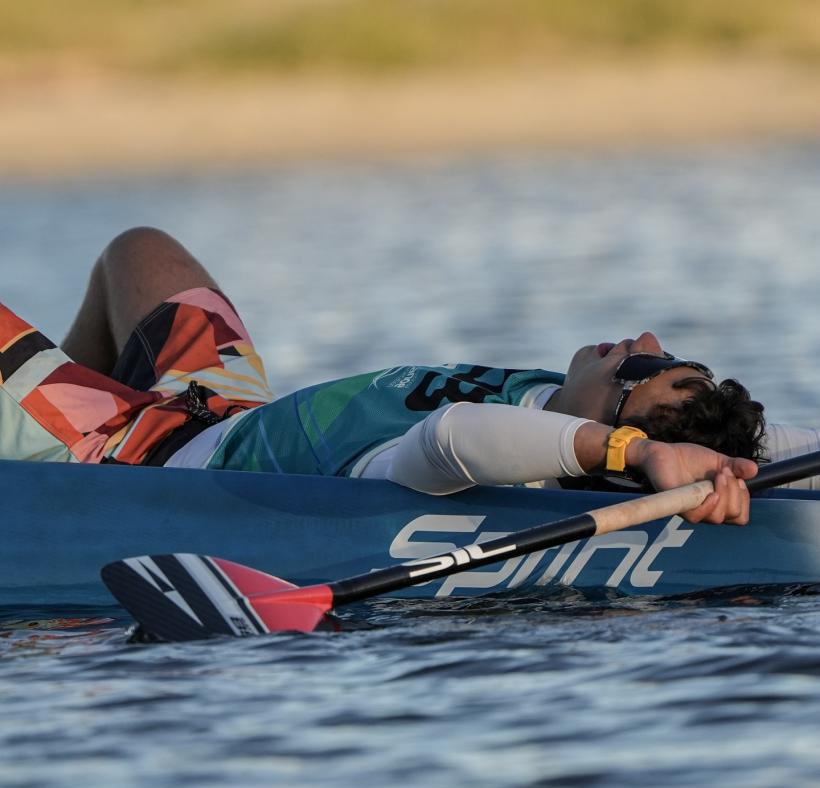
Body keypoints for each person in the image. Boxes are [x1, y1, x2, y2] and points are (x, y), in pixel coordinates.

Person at [0, 227, 763, 526]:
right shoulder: (557, 395)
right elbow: (777, 446)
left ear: (617, 429)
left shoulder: (469, 466)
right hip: (221, 413)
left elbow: (452, 434)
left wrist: (639, 457)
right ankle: (35, 438)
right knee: (142, 253)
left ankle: (58, 449)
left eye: (649, 368)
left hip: (141, 456)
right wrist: (730, 467)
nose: (646, 340)